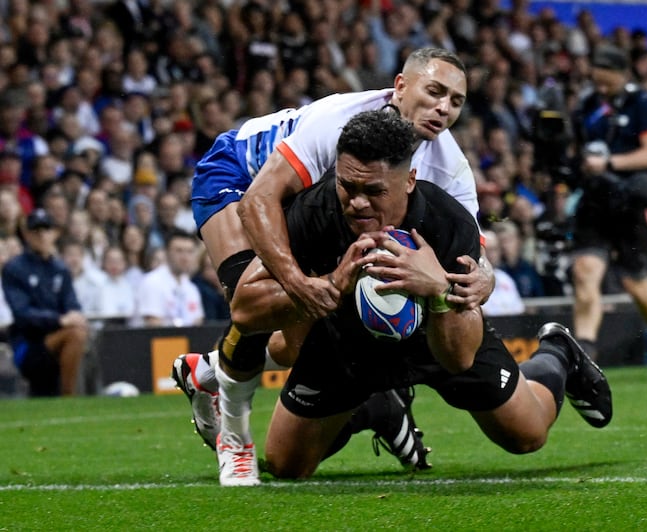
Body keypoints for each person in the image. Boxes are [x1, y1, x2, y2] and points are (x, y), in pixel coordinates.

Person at [230, 110, 611, 484]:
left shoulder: (448, 223)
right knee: (286, 465)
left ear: (409, 180)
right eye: (347, 186)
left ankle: (558, 353)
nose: (358, 203)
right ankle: (377, 408)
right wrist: (330, 286)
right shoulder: (313, 211)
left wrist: (438, 292)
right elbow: (245, 312)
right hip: (344, 345)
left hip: (437, 340)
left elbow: (459, 357)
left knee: (527, 436)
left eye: (374, 191)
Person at [172, 48, 494, 467]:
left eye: (455, 101)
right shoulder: (340, 121)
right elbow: (260, 199)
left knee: (293, 346)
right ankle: (235, 436)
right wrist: (296, 281)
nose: (443, 108)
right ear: (400, 86)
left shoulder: (450, 167)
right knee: (258, 307)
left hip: (308, 201)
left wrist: (484, 278)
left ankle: (209, 371)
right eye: (435, 92)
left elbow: (474, 251)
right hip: (239, 175)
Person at [570, 43, 647, 378]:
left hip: (629, 201)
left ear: (622, 74)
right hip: (594, 201)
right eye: (596, 82)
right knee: (585, 271)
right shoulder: (588, 105)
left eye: (607, 83)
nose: (601, 89)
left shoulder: (642, 104)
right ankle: (585, 353)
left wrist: (609, 163)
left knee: (635, 283)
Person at [2, 209, 89, 396]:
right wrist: (59, 320)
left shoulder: (60, 269)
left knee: (78, 330)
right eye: (36, 231)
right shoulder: (15, 269)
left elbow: (72, 304)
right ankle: (68, 398)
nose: (41, 236)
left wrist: (74, 316)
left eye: (46, 230)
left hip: (58, 337)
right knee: (75, 334)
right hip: (27, 344)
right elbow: (22, 314)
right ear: (26, 234)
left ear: (54, 234)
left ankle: (65, 393)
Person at [137, 230, 204, 327]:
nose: (185, 257)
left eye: (190, 252)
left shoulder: (191, 288)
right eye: (179, 251)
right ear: (166, 253)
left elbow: (198, 321)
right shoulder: (152, 282)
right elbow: (153, 325)